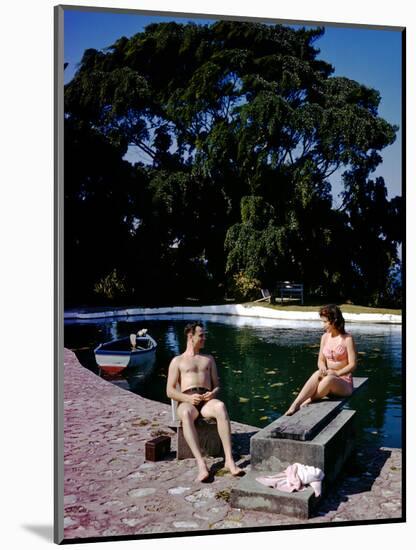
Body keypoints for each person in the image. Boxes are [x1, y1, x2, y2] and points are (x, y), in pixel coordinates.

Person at [166, 321, 244, 482]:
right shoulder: (177, 361)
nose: (204, 338)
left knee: (221, 406)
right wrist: (188, 398)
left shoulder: (208, 359)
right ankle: (201, 464)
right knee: (187, 413)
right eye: (201, 335)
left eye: (204, 335)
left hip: (206, 401)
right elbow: (170, 391)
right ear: (190, 336)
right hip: (187, 401)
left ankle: (229, 460)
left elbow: (217, 386)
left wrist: (212, 393)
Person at [284, 304, 357, 416]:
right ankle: (295, 404)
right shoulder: (324, 337)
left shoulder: (347, 338)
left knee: (328, 380)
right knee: (318, 373)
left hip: (343, 382)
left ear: (334, 321)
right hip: (327, 375)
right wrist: (322, 367)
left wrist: (337, 373)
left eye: (325, 322)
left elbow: (353, 365)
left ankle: (310, 399)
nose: (322, 325)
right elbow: (320, 360)